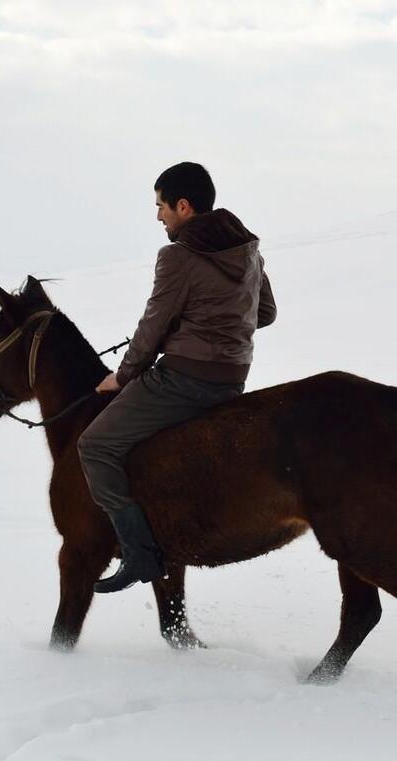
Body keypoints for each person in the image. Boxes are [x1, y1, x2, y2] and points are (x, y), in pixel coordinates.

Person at [77, 162, 277, 593]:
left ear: (183, 206)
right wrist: (218, 326)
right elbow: (265, 313)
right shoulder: (247, 249)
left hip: (183, 379)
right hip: (232, 380)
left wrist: (124, 376)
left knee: (94, 445)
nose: (158, 216)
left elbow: (152, 327)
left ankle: (139, 554)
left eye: (161, 206)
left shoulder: (178, 256)